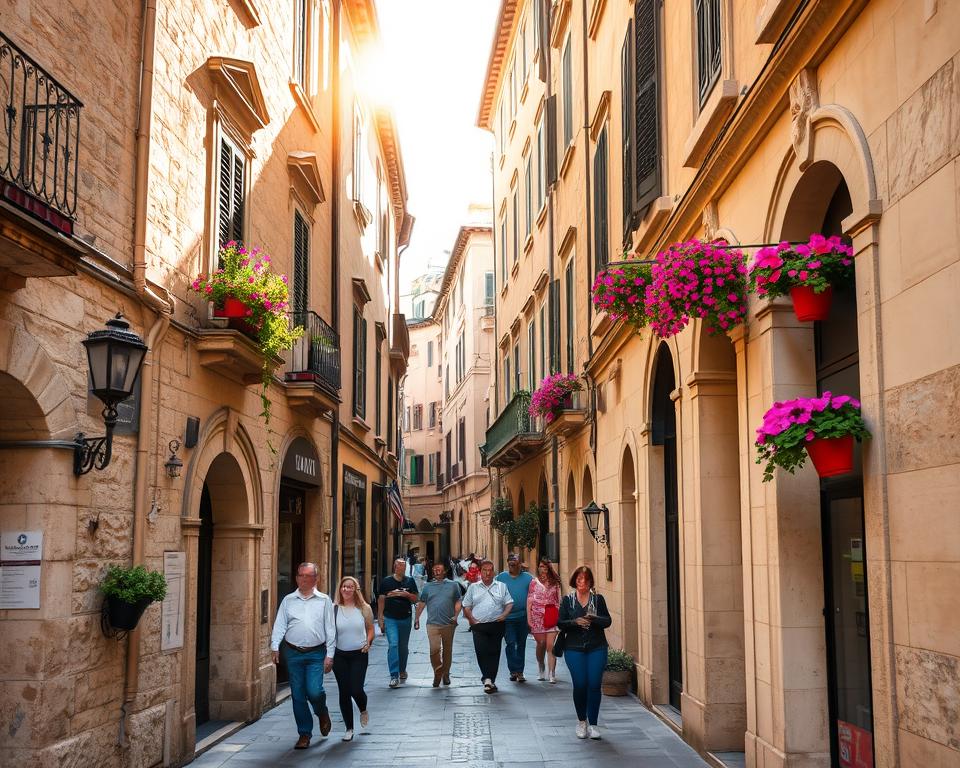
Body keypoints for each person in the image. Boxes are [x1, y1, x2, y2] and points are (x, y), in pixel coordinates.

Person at [270, 562, 336, 750]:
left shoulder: (324, 601)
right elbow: (280, 624)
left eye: (308, 576)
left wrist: (330, 655)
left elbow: (330, 629)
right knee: (298, 695)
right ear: (297, 577)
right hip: (292, 653)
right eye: (301, 575)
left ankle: (322, 712)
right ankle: (304, 734)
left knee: (314, 691)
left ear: (316, 579)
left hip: (316, 653)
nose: (304, 579)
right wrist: (275, 646)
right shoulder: (288, 600)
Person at [557, 565, 612, 740]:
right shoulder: (568, 600)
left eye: (586, 580)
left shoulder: (598, 599)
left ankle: (594, 724)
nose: (583, 583)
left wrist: (594, 619)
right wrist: (575, 622)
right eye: (580, 579)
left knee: (594, 684)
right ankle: (582, 721)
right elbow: (560, 622)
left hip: (597, 646)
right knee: (580, 684)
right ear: (575, 581)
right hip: (574, 647)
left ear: (590, 582)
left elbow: (607, 621)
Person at [332, 576, 375, 742]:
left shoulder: (364, 608)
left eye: (350, 587)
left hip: (359, 653)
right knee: (344, 691)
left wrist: (368, 642)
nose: (346, 590)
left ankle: (363, 708)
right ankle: (349, 728)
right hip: (340, 655)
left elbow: (370, 628)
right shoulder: (334, 609)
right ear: (340, 589)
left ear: (355, 590)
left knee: (356, 689)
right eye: (344, 587)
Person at [462, 559, 513, 693]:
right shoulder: (473, 587)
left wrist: (504, 615)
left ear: (493, 572)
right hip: (479, 625)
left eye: (490, 570)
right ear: (481, 572)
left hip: (497, 624)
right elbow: (466, 605)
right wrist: (472, 619)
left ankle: (490, 680)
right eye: (485, 570)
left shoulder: (502, 586)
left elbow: (509, 603)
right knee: (481, 651)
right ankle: (487, 678)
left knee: (494, 652)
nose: (487, 573)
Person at [414, 562, 463, 686]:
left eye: (439, 569)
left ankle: (445, 674)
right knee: (434, 650)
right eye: (434, 569)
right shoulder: (428, 586)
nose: (436, 571)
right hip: (432, 624)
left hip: (448, 623)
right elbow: (422, 603)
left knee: (447, 651)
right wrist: (416, 619)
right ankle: (438, 671)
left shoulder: (453, 585)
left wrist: (456, 616)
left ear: (444, 571)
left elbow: (458, 601)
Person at [376, 557, 419, 688]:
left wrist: (405, 595)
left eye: (404, 566)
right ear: (395, 567)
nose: (402, 568)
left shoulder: (410, 581)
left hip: (405, 618)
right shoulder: (386, 581)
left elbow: (416, 599)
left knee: (403, 647)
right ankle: (394, 675)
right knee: (393, 644)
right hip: (390, 618)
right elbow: (381, 599)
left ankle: (402, 669)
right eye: (400, 566)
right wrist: (380, 618)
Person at [496, 553, 534, 682]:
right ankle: (513, 670)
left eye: (514, 563)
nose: (512, 566)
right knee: (511, 643)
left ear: (520, 564)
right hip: (507, 618)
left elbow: (535, 594)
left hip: (523, 617)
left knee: (521, 644)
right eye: (510, 564)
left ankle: (520, 671)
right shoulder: (501, 577)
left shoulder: (528, 578)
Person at [527, 557, 562, 683]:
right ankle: (541, 666)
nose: (543, 569)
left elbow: (559, 601)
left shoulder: (556, 582)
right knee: (541, 644)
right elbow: (529, 601)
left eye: (545, 566)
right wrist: (529, 618)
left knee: (550, 646)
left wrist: (559, 616)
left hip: (551, 615)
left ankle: (552, 673)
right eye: (541, 566)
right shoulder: (533, 582)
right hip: (537, 617)